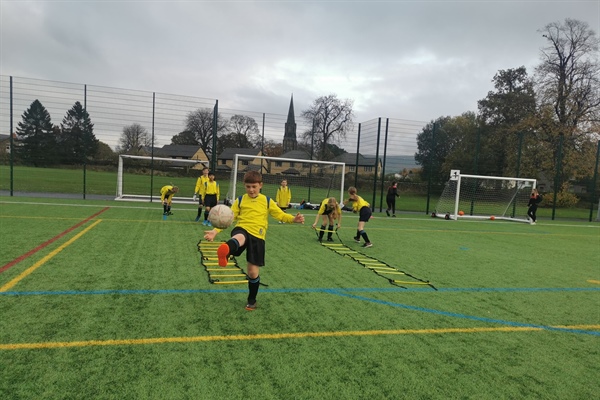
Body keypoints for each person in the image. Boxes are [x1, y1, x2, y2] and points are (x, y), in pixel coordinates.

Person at [203, 171, 305, 311]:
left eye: (254, 187)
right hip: (242, 229)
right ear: (244, 186)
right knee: (239, 236)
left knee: (252, 272)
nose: (251, 190)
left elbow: (280, 214)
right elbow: (227, 218)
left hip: (258, 236)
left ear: (260, 185)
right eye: (248, 186)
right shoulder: (240, 200)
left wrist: (293, 219)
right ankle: (226, 250)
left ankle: (252, 300)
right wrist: (215, 231)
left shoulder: (267, 201)